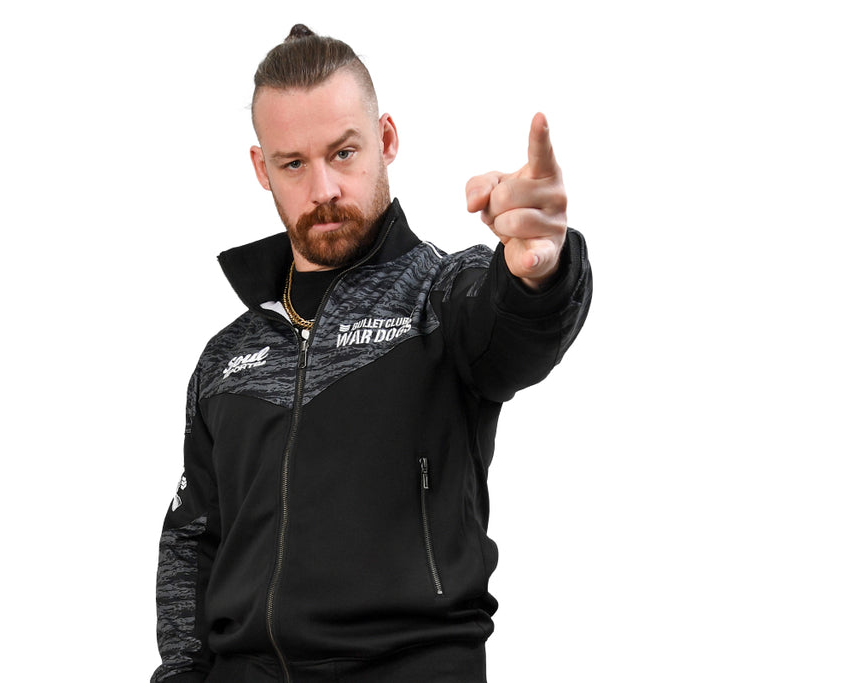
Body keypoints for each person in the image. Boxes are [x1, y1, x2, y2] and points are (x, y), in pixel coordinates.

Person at [151, 24, 592, 683]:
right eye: (293, 164)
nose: (323, 188)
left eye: (344, 153)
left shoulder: (443, 298)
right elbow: (193, 540)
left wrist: (541, 271)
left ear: (386, 140)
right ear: (262, 169)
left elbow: (515, 329)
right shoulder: (228, 357)